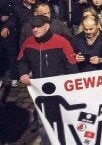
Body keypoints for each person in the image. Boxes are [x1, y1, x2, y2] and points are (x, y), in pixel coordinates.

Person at [16, 15, 78, 144]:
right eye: (33, 27)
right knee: (43, 122)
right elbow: (21, 60)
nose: (35, 29)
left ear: (47, 26)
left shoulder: (62, 42)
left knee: (61, 119)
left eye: (38, 26)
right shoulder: (28, 43)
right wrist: (24, 73)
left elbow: (72, 66)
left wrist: (67, 86)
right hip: (39, 90)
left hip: (59, 90)